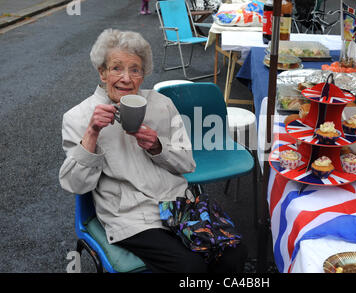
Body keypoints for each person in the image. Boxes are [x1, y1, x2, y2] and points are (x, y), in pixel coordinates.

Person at [59, 28, 247, 273]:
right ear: (102, 72)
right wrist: (92, 132)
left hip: (177, 204)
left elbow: (187, 164)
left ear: (143, 75)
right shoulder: (78, 117)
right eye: (116, 68)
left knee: (233, 253)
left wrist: (158, 146)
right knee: (190, 267)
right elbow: (76, 185)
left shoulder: (161, 104)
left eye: (135, 69)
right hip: (130, 216)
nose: (126, 78)